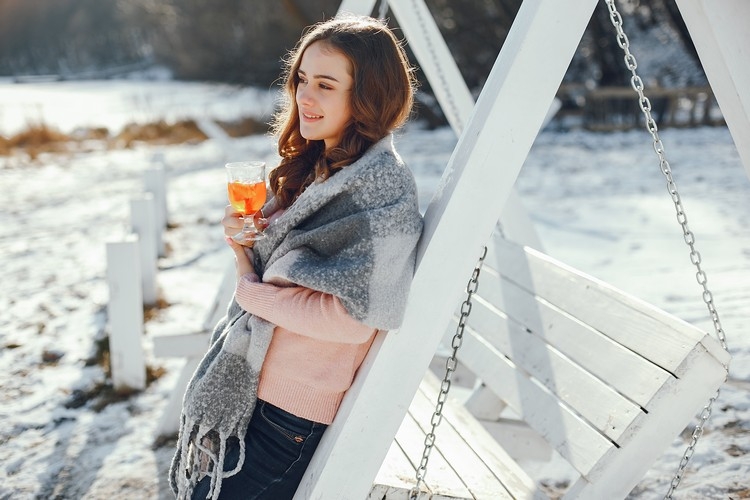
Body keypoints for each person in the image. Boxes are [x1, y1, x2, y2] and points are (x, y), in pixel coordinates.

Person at [169, 14, 423, 500]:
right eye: (302, 79)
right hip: (256, 388)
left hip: (292, 413)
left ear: (368, 94)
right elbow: (269, 276)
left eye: (325, 84)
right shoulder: (315, 167)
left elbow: (354, 320)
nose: (304, 97)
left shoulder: (380, 191)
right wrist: (242, 247)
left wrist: (251, 289)